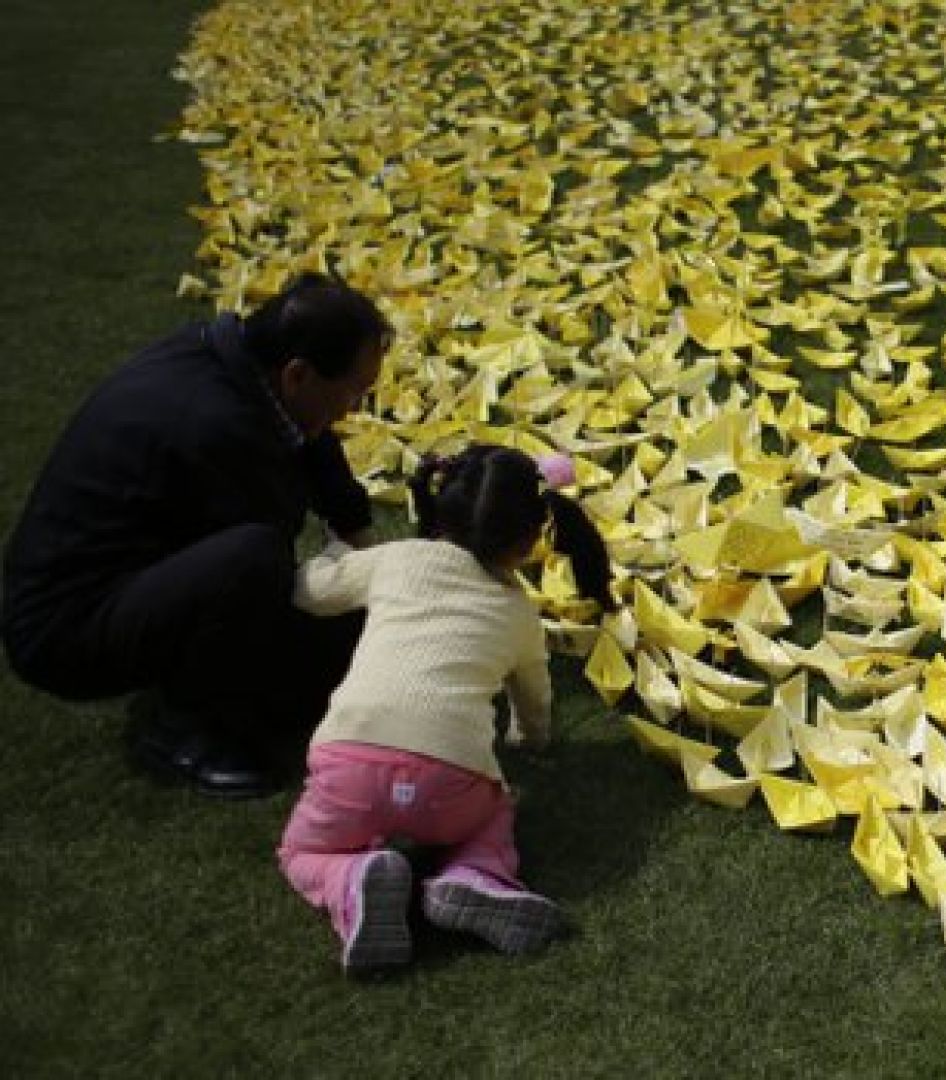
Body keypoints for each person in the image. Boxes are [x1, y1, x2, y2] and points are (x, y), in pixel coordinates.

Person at [2, 274, 390, 798]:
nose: (353, 409)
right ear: (298, 374)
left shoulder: (241, 363)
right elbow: (264, 571)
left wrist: (360, 538)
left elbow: (307, 438)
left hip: (124, 576)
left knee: (343, 645)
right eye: (352, 390)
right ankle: (182, 729)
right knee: (261, 562)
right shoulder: (218, 424)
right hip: (64, 631)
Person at [277, 445, 614, 974]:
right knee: (495, 811)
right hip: (453, 786)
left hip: (349, 766)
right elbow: (534, 699)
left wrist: (333, 554)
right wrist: (531, 739)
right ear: (531, 541)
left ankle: (352, 880)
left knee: (300, 854)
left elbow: (308, 592)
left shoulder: (396, 560)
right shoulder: (519, 612)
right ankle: (473, 873)